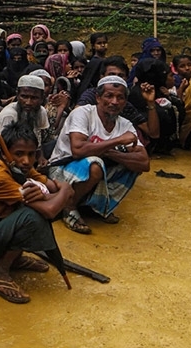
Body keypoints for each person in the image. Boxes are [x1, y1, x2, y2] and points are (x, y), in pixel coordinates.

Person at [0, 125, 72, 304]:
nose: (26, 160)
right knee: (32, 215)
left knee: (31, 209)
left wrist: (53, 194)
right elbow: (51, 207)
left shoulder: (20, 169)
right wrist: (66, 190)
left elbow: (52, 190)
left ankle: (14, 259)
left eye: (31, 154)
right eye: (19, 153)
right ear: (5, 154)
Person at [47, 76, 150, 234]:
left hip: (90, 169)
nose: (114, 102)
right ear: (98, 97)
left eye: (120, 97)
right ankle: (69, 206)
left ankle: (94, 205)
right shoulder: (83, 113)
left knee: (132, 166)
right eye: (109, 96)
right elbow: (78, 150)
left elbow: (144, 162)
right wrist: (117, 141)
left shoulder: (125, 124)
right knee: (95, 165)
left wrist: (109, 152)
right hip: (61, 169)